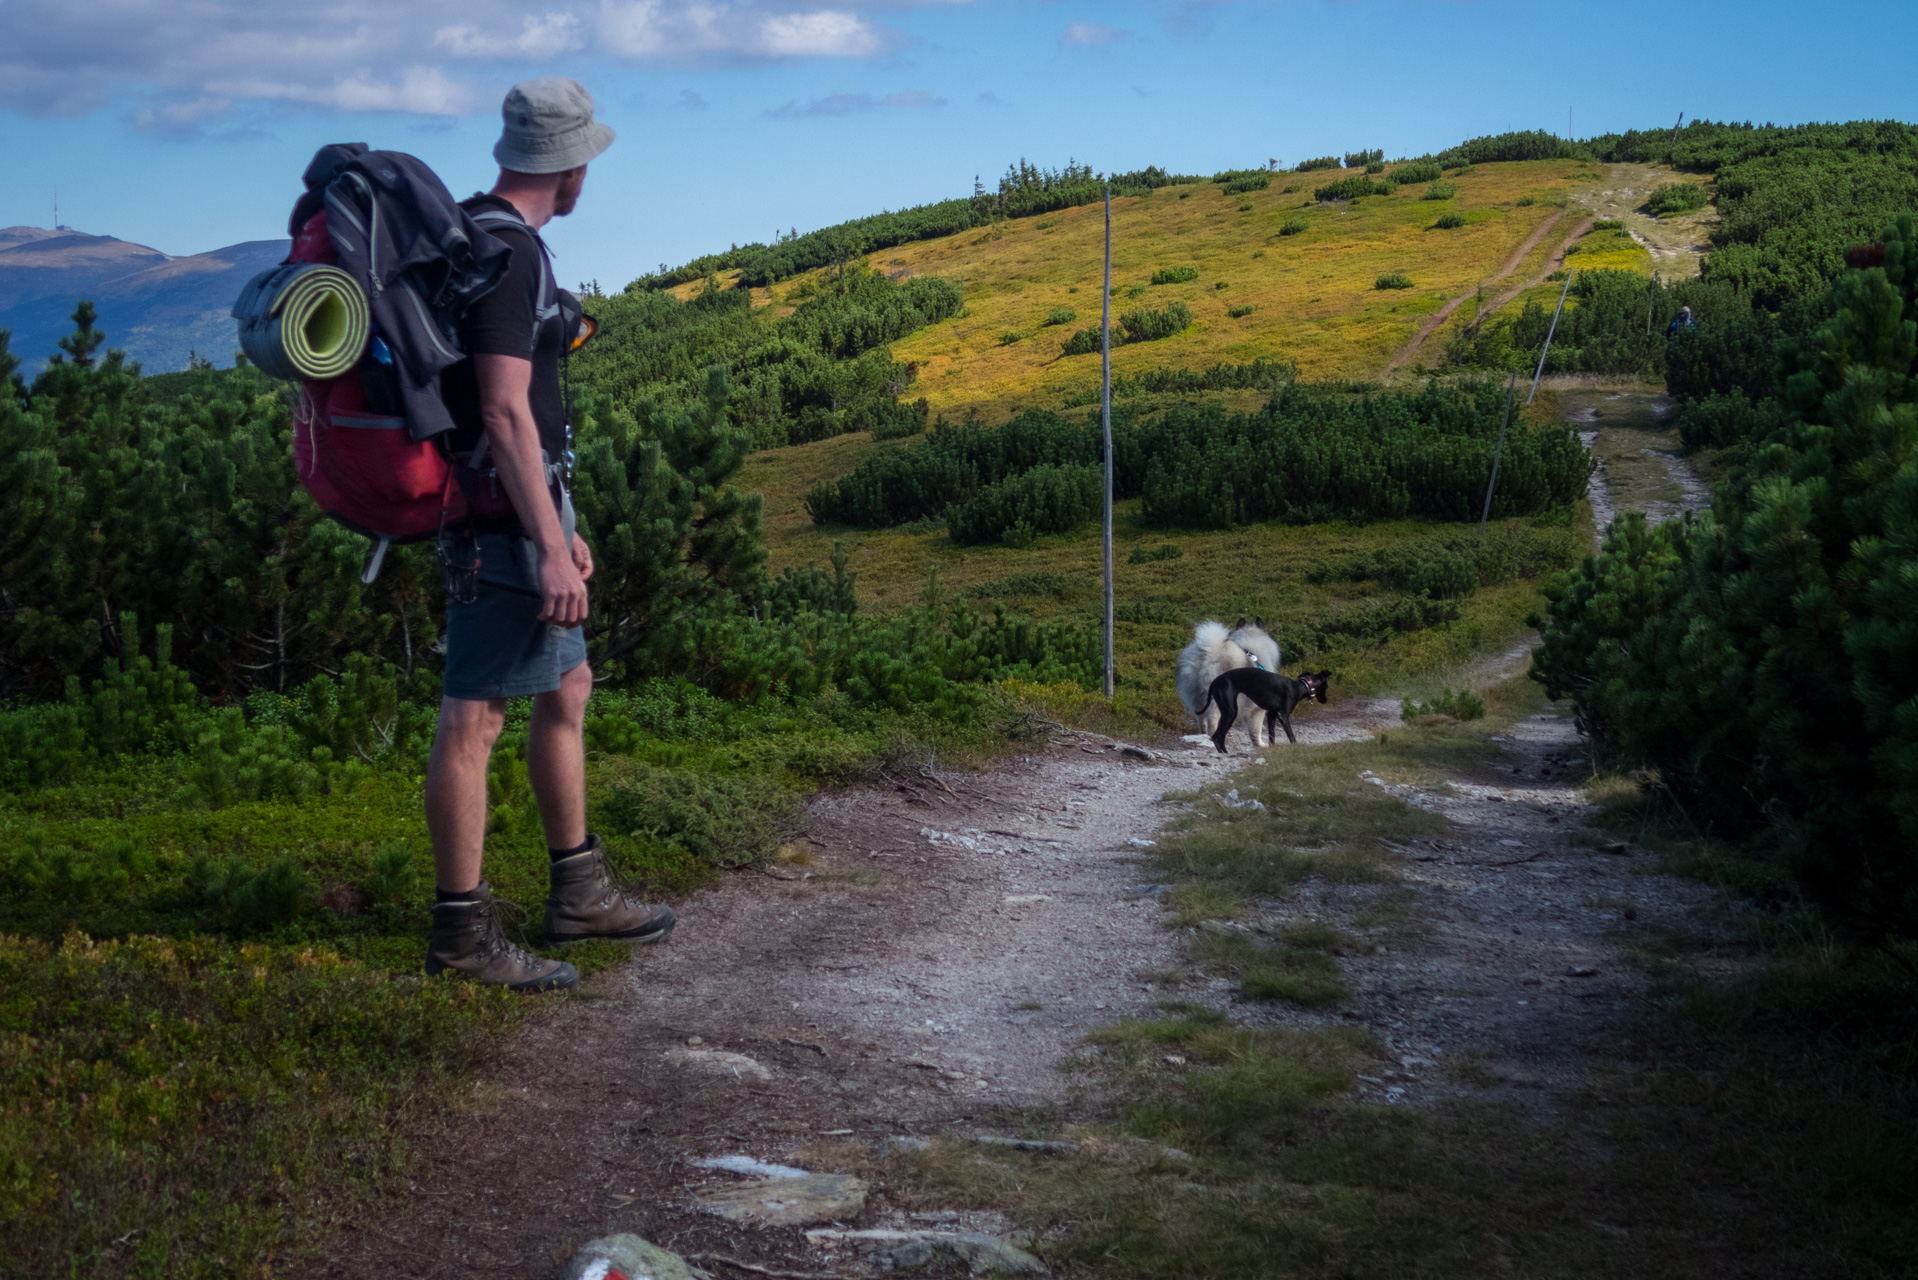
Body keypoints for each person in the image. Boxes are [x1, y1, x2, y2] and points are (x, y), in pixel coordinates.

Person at [424, 77, 676, 992]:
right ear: (570, 168)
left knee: (567, 683)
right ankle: (460, 936)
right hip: (497, 511)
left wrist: (562, 526)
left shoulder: (468, 233)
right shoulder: (509, 255)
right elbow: (500, 409)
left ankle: (577, 890)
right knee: (475, 717)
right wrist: (541, 539)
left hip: (523, 505)